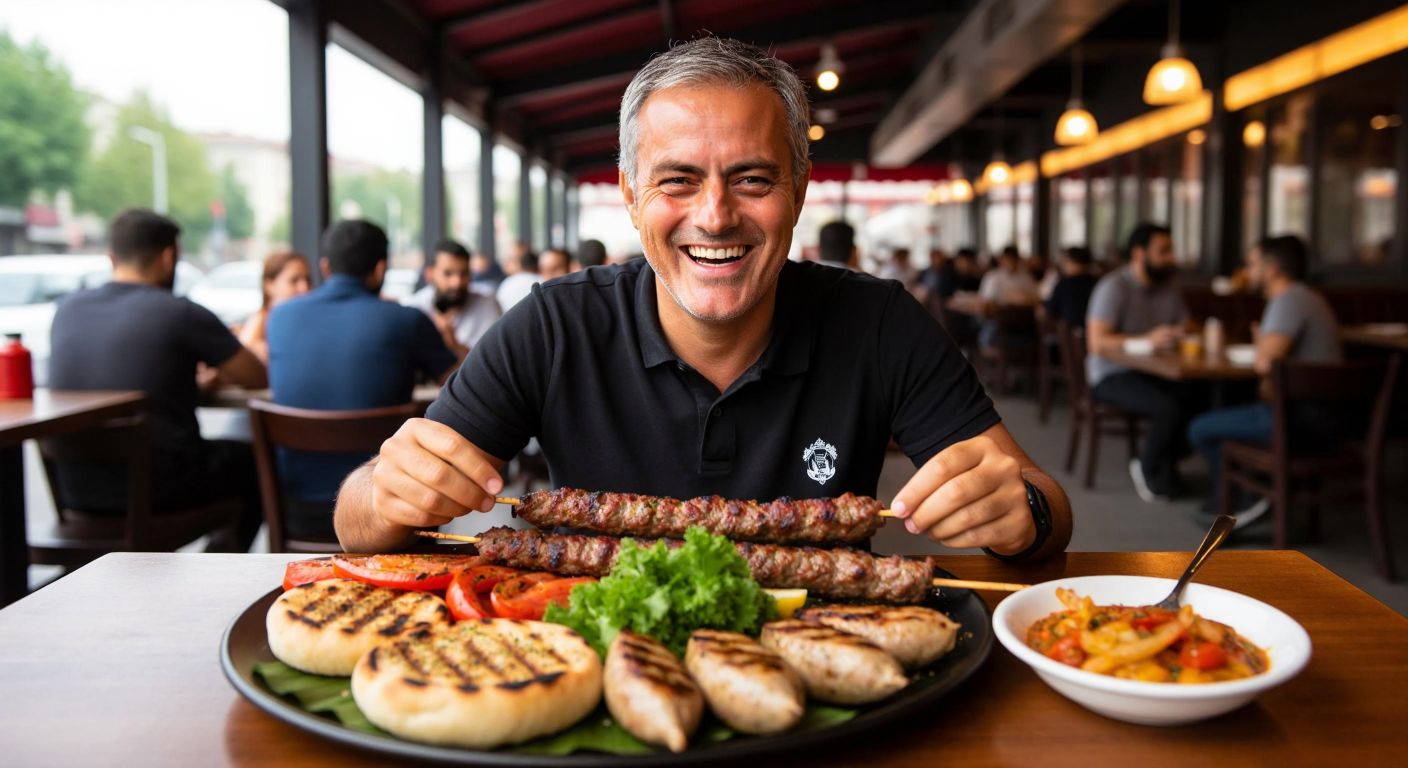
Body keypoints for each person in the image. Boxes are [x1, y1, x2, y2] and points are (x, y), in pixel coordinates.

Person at [333, 37, 1072, 563]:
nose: (715, 216)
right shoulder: (555, 324)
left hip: (833, 680)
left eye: (751, 179)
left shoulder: (879, 322)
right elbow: (358, 524)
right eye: (677, 180)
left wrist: (1023, 513)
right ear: (630, 196)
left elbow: (1046, 504)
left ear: (798, 191)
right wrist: (384, 490)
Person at [47, 209, 268, 552]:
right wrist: (215, 370)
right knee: (258, 460)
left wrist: (186, 384)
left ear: (111, 257)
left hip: (78, 491)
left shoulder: (67, 310)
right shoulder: (180, 312)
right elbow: (256, 376)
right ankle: (219, 574)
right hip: (160, 490)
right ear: (169, 257)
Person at [265, 220, 460, 539]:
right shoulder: (407, 321)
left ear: (325, 267)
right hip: (386, 519)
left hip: (297, 508)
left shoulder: (280, 316)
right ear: (380, 269)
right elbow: (461, 386)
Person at [1186, 235, 1341, 527]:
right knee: (1231, 413)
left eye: (1253, 263)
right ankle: (1247, 494)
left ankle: (1245, 501)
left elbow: (1264, 364)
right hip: (1327, 417)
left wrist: (1261, 347)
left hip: (1301, 421)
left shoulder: (1288, 301)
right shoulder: (1309, 297)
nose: (1248, 271)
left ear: (1272, 270)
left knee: (1200, 428)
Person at [1086, 222, 1189, 503]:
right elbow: (1097, 343)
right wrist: (1147, 340)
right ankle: (1145, 465)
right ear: (1139, 253)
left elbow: (1184, 325)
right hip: (1111, 374)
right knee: (1168, 407)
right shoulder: (1114, 287)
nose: (1171, 257)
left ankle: (1166, 463)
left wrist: (1179, 333)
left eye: (1171, 250)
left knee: (1198, 398)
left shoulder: (1169, 289)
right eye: (1164, 251)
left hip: (1155, 370)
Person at [402, 239, 502, 357]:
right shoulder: (414, 307)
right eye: (448, 273)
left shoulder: (487, 304)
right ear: (430, 274)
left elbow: (493, 362)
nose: (457, 283)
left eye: (464, 273)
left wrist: (454, 344)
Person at [237, 250, 313, 363]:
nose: (305, 288)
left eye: (308, 279)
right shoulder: (260, 322)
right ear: (269, 285)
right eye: (294, 280)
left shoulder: (308, 321)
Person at [1043, 246, 1098, 329]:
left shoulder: (1065, 284)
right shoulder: (1098, 282)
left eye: (1065, 261)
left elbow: (1051, 309)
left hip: (1070, 335)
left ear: (1072, 262)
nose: (1063, 264)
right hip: (1094, 329)